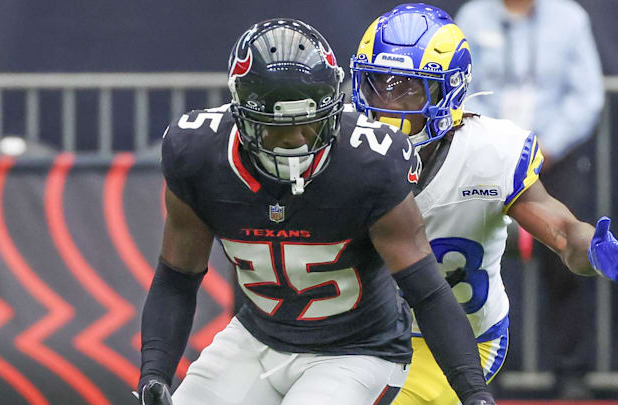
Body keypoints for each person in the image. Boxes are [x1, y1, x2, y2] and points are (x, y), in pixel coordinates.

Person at [136, 18, 495, 405]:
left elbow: (428, 293)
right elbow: (177, 277)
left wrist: (473, 393)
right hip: (256, 338)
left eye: (309, 124)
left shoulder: (369, 165)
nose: (295, 141)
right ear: (242, 117)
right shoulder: (198, 155)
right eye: (276, 128)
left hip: (357, 351)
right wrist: (154, 373)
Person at [349, 4, 618, 405]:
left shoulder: (489, 153)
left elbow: (562, 231)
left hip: (453, 343)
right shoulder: (344, 144)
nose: (388, 103)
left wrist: (588, 248)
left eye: (409, 88)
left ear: (447, 89)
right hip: (358, 334)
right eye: (378, 84)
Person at [454, 0, 605, 397]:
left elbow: (586, 95)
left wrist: (542, 147)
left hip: (556, 160)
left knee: (570, 262)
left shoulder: (570, 18)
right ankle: (484, 372)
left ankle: (572, 374)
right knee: (479, 265)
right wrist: (504, 143)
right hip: (488, 160)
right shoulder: (473, 16)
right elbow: (462, 88)